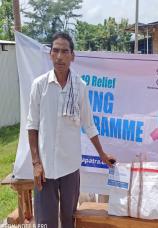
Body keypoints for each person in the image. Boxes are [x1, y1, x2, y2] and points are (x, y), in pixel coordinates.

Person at [27, 32, 116, 228]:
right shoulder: (39, 85)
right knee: (45, 221)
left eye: (65, 51)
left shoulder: (80, 87)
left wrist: (101, 154)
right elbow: (32, 125)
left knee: (69, 219)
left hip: (70, 167)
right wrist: (36, 163)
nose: (60, 56)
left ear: (72, 56)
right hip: (45, 168)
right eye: (56, 51)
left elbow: (88, 124)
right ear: (50, 54)